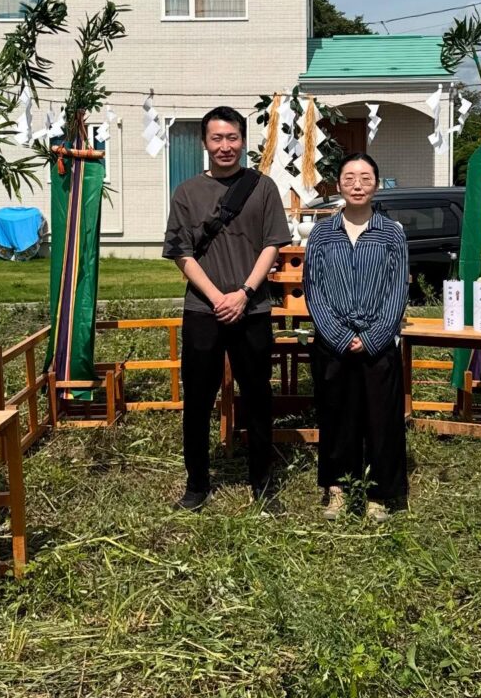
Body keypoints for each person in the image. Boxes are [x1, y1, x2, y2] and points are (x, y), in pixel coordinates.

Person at [163, 106, 291, 511]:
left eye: (232, 138)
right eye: (216, 139)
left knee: (257, 395)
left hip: (251, 309)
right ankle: (198, 482)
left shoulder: (263, 187)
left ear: (243, 140)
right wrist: (218, 297)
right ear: (205, 142)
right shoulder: (187, 192)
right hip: (203, 310)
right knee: (198, 398)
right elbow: (181, 253)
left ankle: (262, 481)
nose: (225, 146)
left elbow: (272, 244)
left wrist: (243, 292)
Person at [303, 153, 409, 523]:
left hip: (377, 343)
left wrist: (374, 336)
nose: (358, 184)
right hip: (333, 342)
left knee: (382, 419)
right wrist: (339, 334)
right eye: (350, 177)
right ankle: (338, 489)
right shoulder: (321, 233)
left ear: (376, 184)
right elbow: (313, 289)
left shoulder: (391, 233)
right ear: (339, 184)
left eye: (365, 177)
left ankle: (381, 493)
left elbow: (398, 290)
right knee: (336, 417)